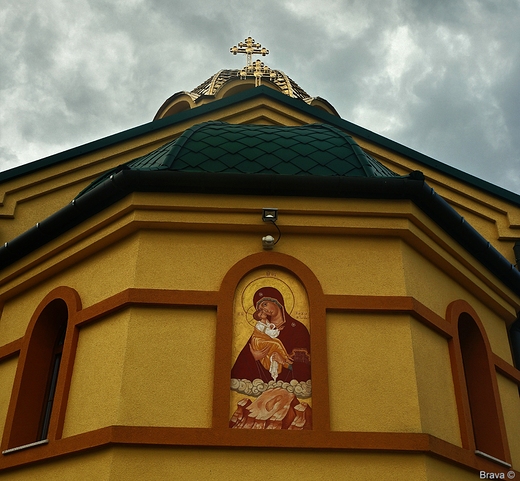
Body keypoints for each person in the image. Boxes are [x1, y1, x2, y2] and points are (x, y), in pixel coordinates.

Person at [231, 287, 311, 383]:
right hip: (262, 387)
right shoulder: (262, 330)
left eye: (265, 304)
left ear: (277, 302)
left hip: (289, 387)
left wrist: (284, 363)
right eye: (260, 309)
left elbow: (305, 370)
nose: (264, 310)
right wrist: (254, 357)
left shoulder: (298, 329)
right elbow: (239, 369)